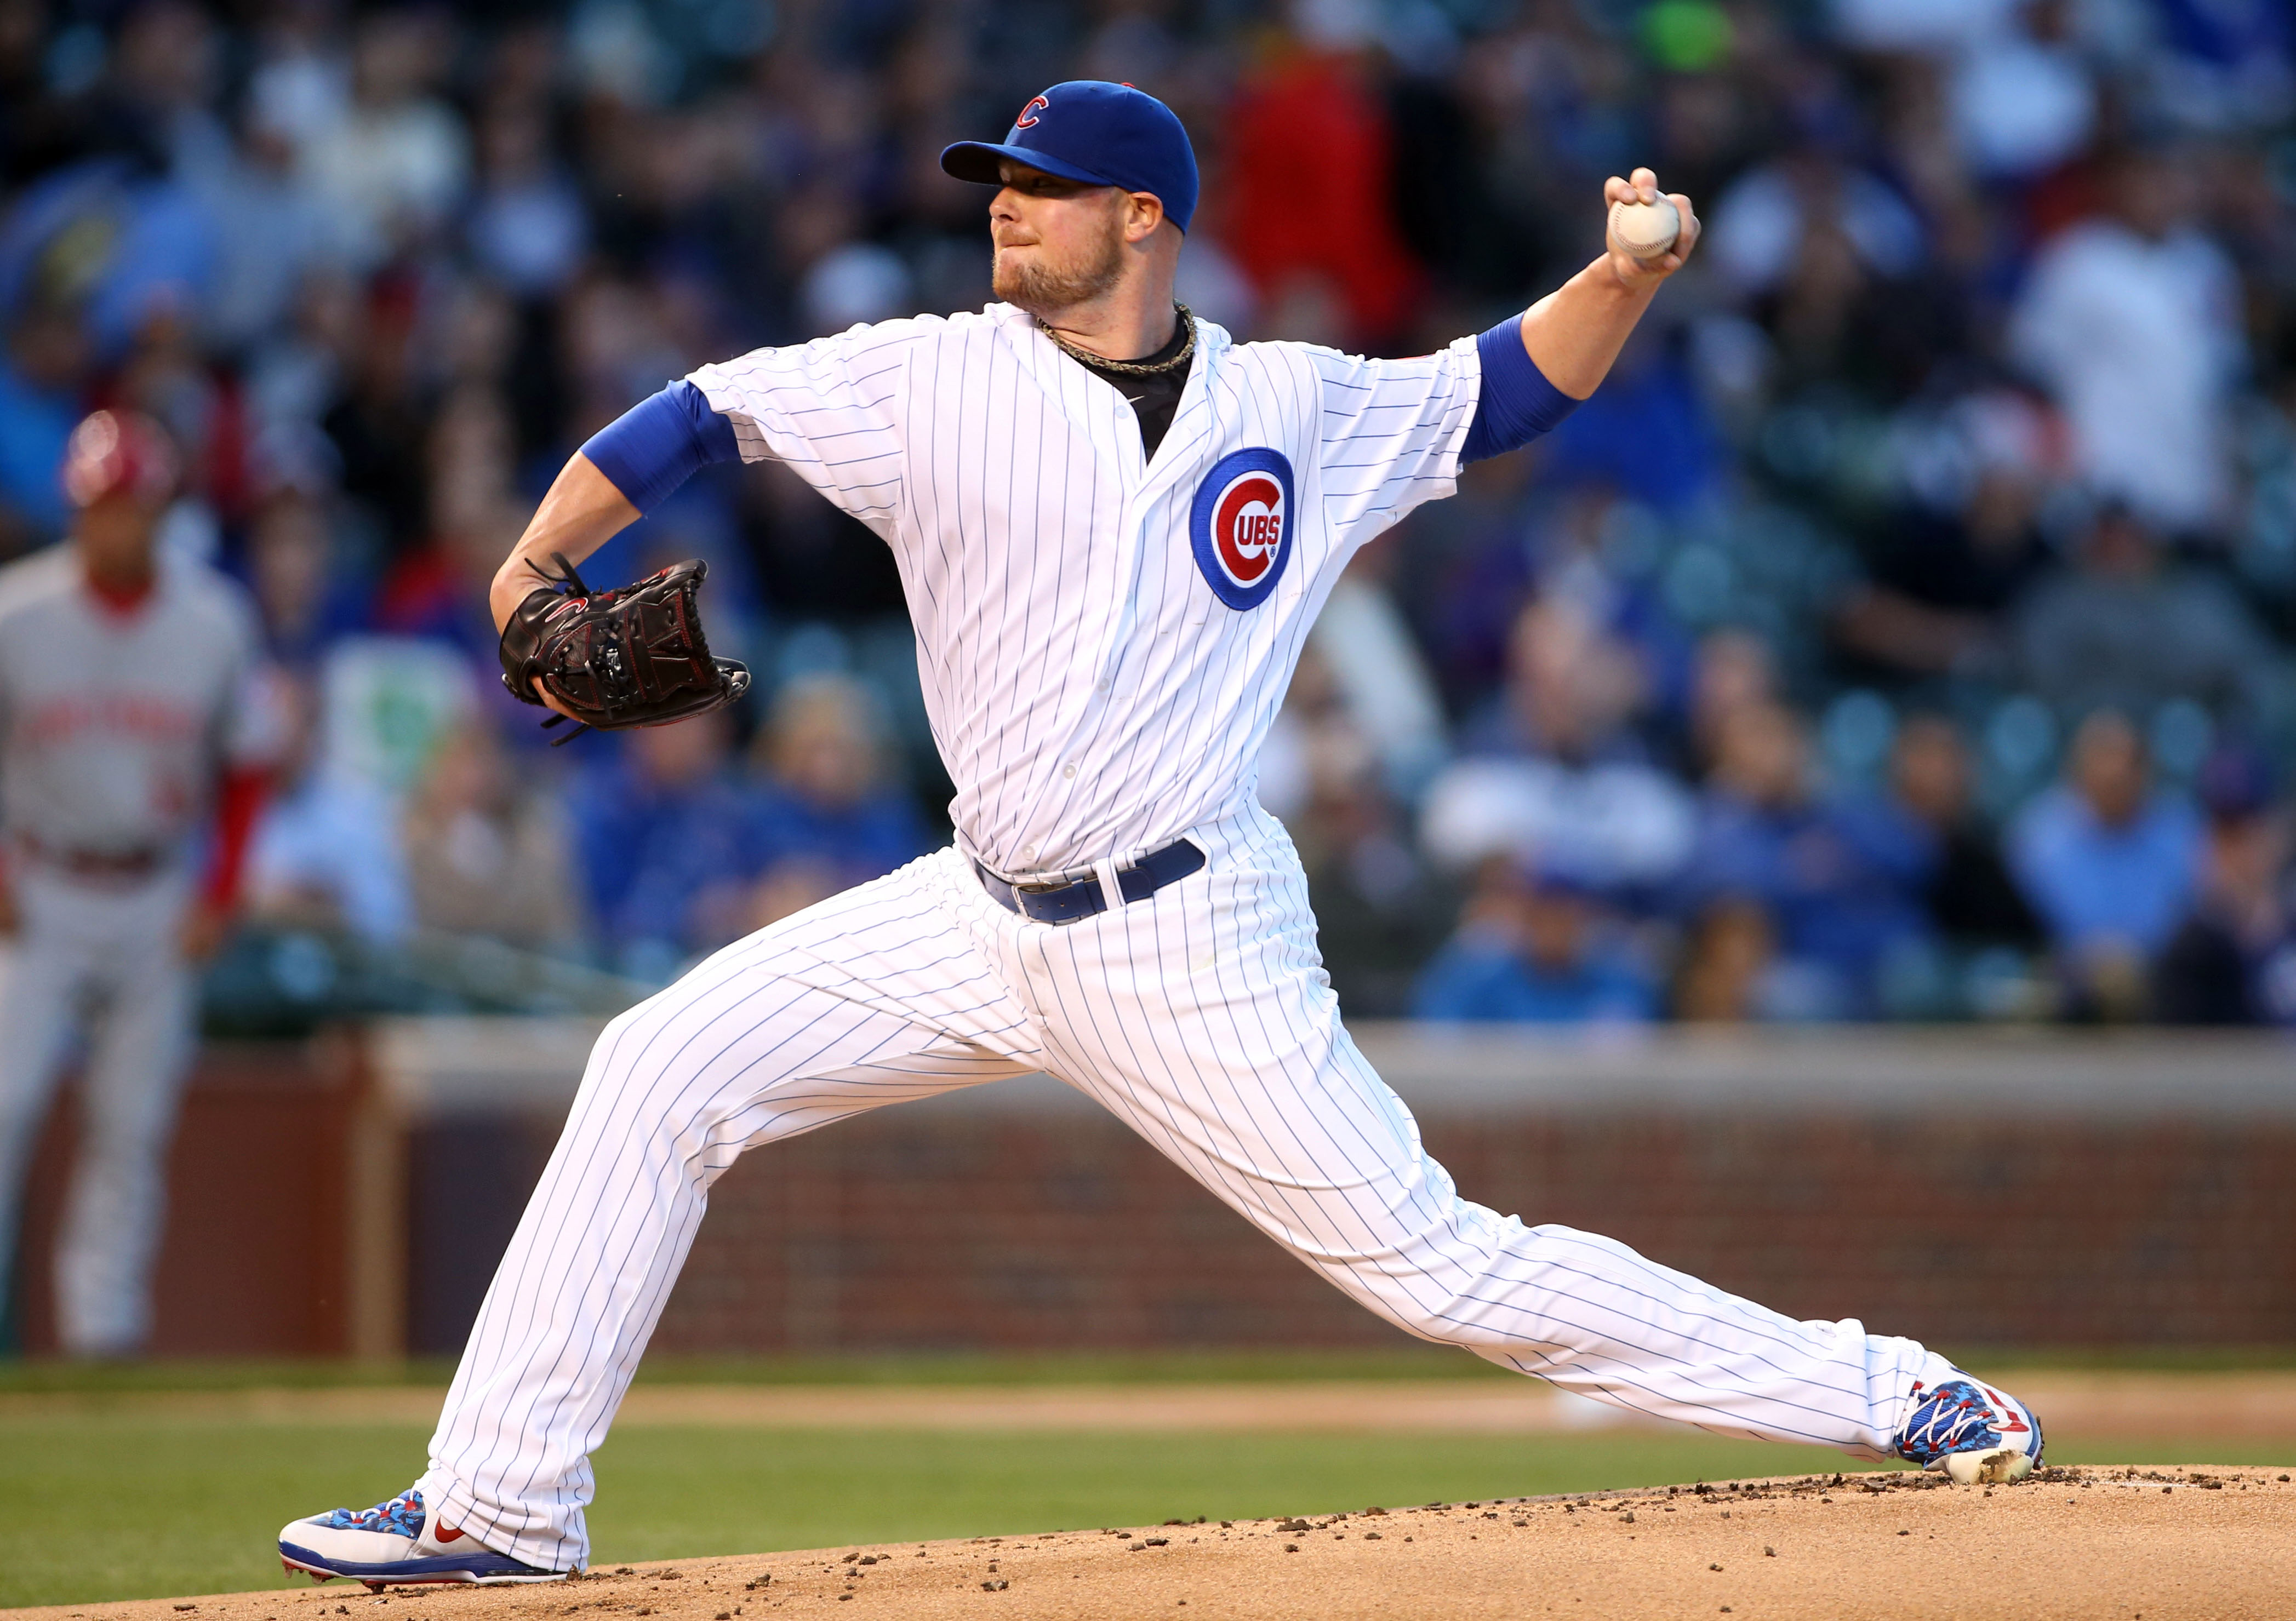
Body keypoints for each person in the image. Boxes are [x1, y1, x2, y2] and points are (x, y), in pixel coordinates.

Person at [278, 82, 2041, 1589]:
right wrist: (530, 569)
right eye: (995, 189)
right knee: (660, 1066)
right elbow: (690, 416)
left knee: (1438, 1268)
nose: (1001, 217)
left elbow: (1500, 394)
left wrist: (1622, 273)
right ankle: (497, 1511)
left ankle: (1888, 1389)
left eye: (1034, 195)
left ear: (1139, 220)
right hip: (974, 911)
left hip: (1184, 937)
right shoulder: (931, 377)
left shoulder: (1287, 401)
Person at [0, 410, 271, 1357]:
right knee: (5, 1109)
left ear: (163, 511)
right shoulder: (18, 612)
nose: (116, 524)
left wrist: (220, 889)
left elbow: (247, 769)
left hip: (155, 891)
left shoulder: (212, 620)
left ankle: (99, 1342)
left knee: (130, 1131)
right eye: (100, 507)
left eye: (133, 506)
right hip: (38, 889)